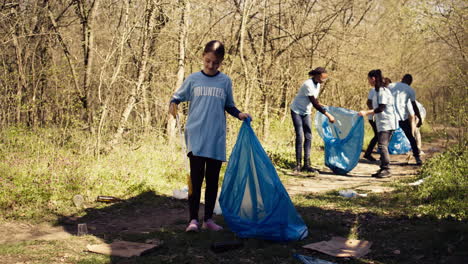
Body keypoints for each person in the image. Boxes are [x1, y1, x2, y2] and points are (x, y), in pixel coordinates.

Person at [169, 40, 251, 232]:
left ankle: (208, 219)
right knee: (196, 180)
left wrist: (240, 114)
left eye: (215, 62)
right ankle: (193, 220)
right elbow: (176, 97)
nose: (211, 66)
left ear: (221, 61)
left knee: (212, 180)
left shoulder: (225, 81)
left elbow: (229, 105)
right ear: (203, 57)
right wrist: (172, 103)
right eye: (207, 61)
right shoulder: (193, 79)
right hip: (196, 135)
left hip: (216, 136)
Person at [290, 67, 335, 173]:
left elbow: (315, 100)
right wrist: (328, 115)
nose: (323, 81)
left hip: (306, 111)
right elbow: (314, 103)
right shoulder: (308, 84)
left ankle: (307, 164)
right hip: (296, 110)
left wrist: (321, 104)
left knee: (309, 136)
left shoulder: (318, 85)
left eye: (325, 79)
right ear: (317, 76)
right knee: (300, 136)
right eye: (322, 79)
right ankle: (298, 165)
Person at [359, 70, 398, 178]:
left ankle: (387, 169)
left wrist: (367, 112)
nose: (368, 81)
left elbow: (381, 108)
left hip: (388, 122)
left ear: (373, 79)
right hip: (382, 122)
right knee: (381, 145)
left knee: (382, 145)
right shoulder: (376, 91)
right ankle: (382, 168)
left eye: (368, 79)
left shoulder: (382, 91)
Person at [391, 74, 423, 165]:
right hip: (402, 117)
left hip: (390, 116)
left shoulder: (391, 86)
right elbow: (414, 105)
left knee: (385, 138)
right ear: (410, 82)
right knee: (411, 137)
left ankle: (383, 158)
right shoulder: (410, 90)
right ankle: (417, 157)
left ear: (402, 79)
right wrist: (419, 117)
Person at [363, 77, 392, 162]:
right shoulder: (374, 91)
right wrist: (373, 112)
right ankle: (371, 154)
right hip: (374, 117)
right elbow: (369, 102)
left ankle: (372, 154)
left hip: (379, 117)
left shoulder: (384, 91)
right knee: (378, 136)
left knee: (378, 136)